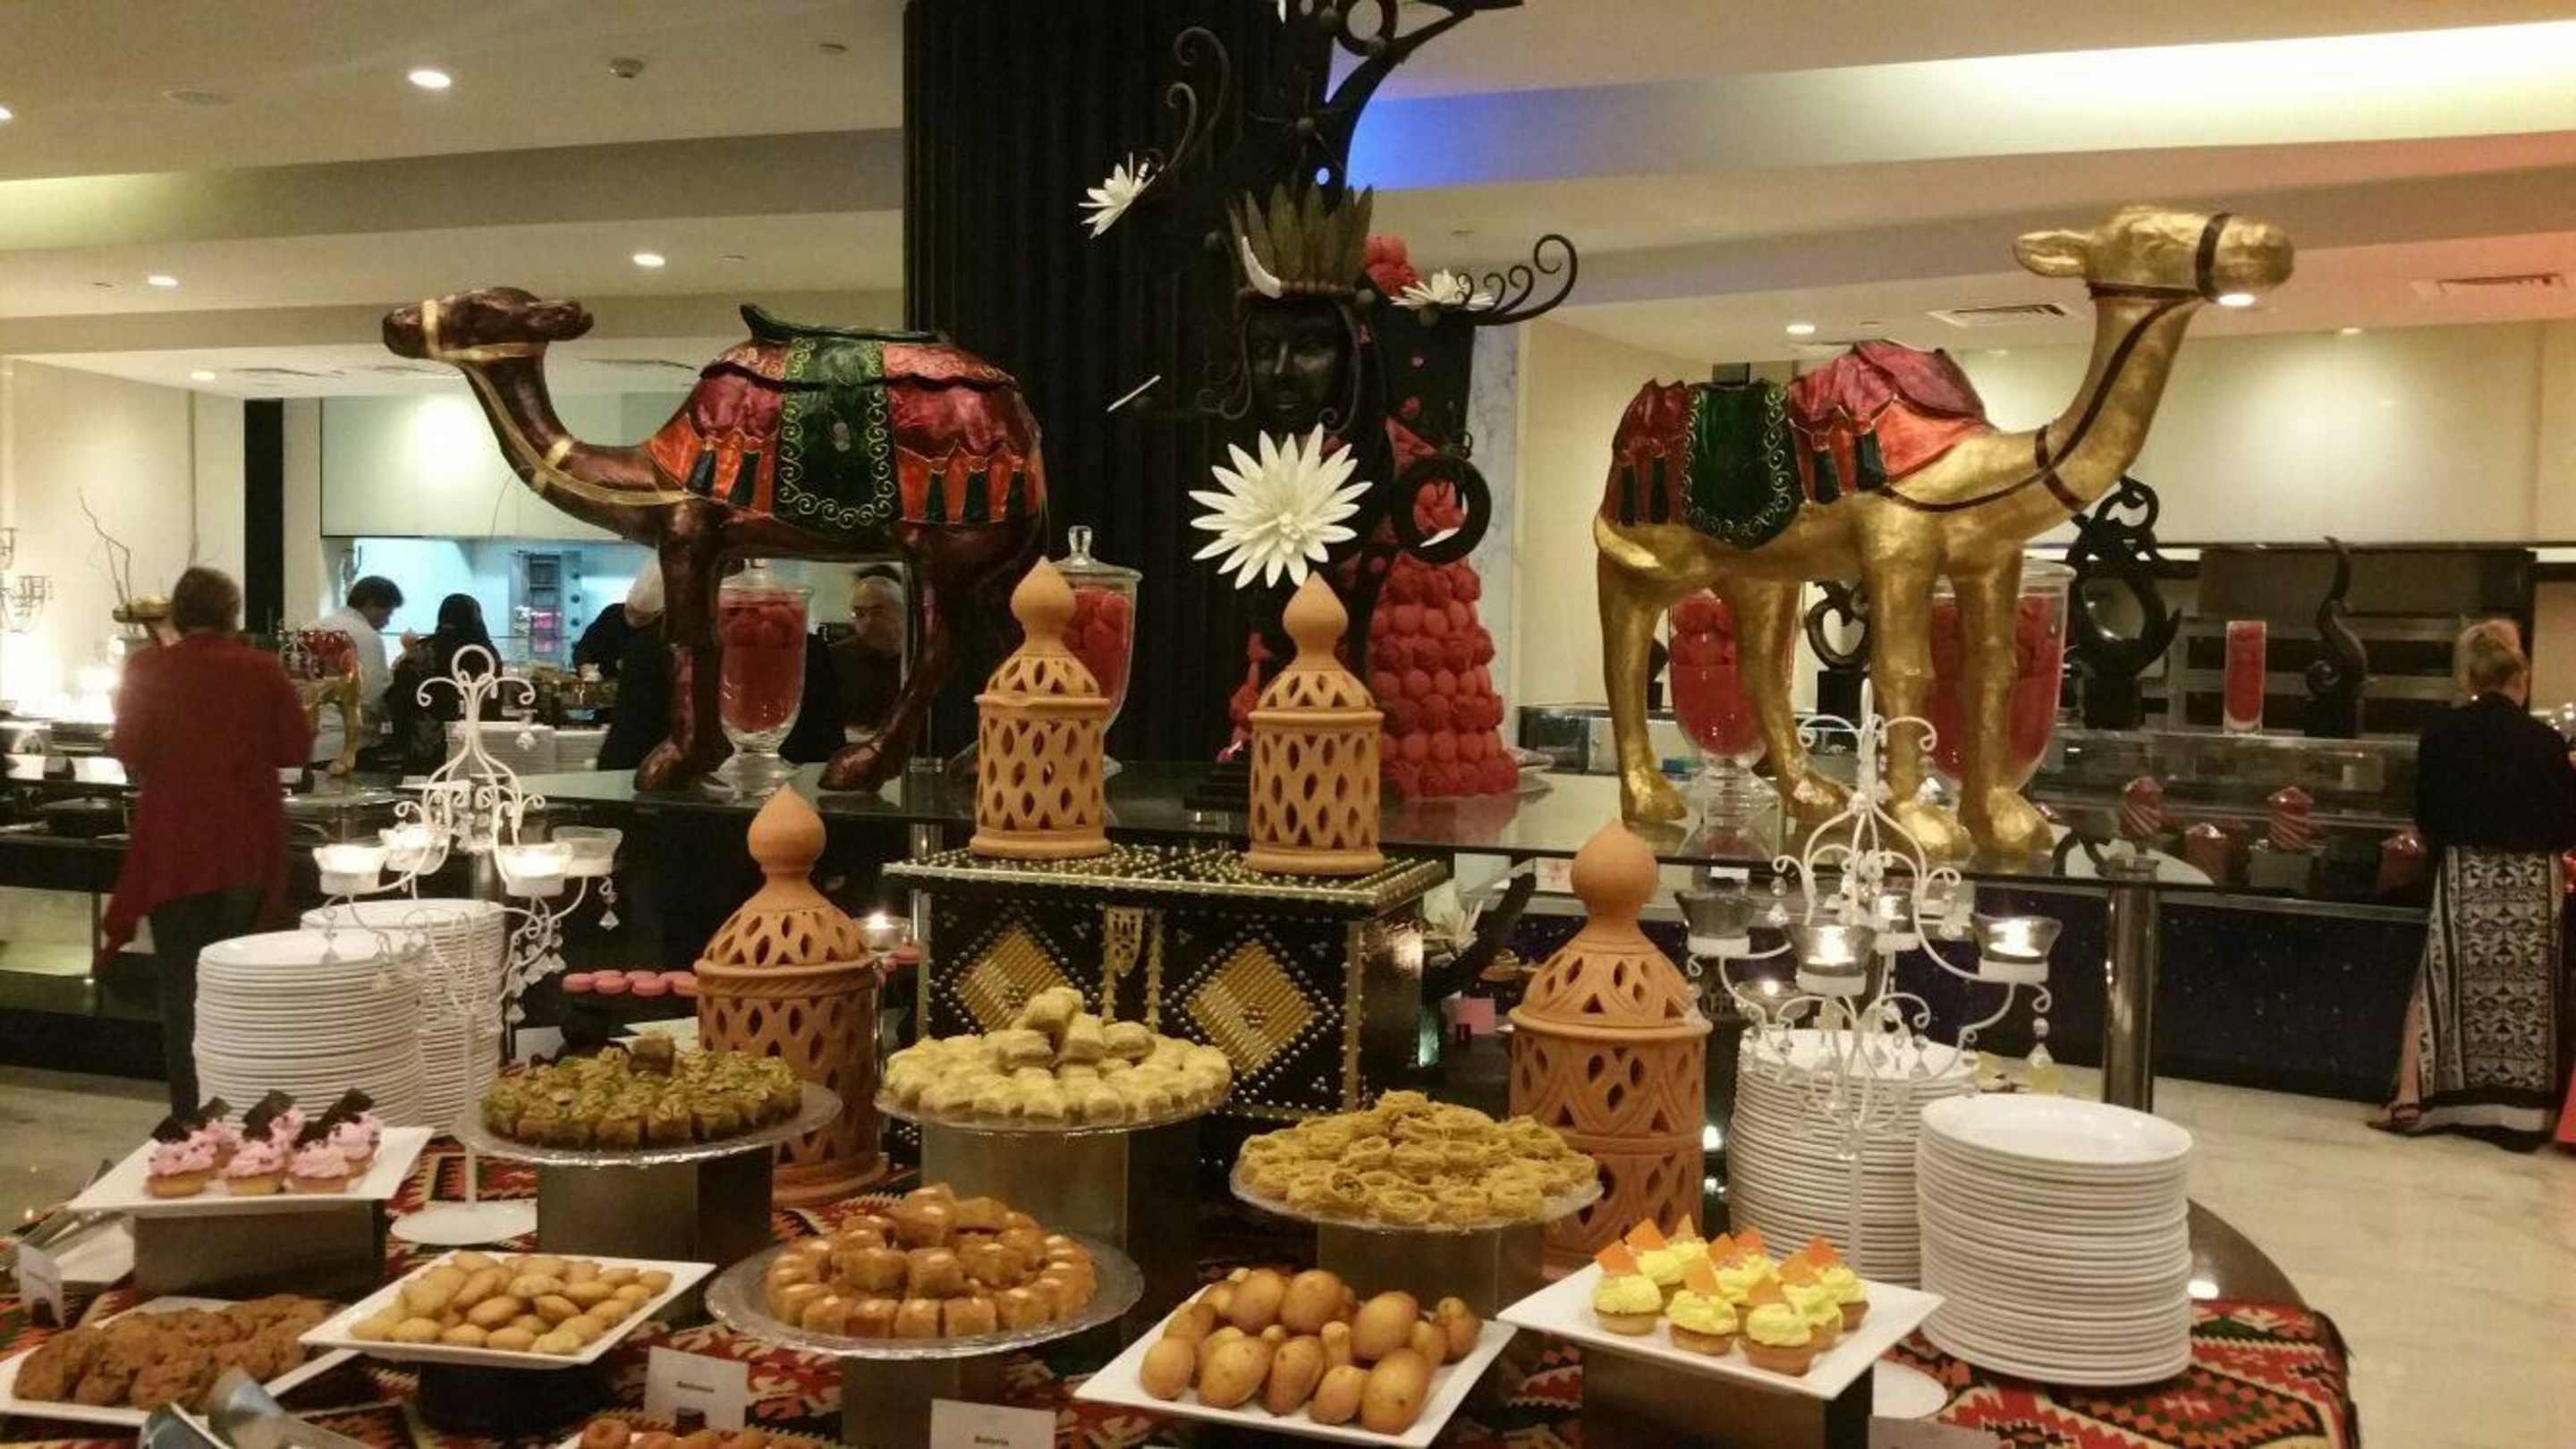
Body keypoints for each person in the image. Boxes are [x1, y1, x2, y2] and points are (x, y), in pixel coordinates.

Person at [103, 567, 314, 1114]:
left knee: (182, 990)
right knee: (244, 983)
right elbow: (295, 747)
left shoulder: (148, 667)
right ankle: (248, 1113)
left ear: (177, 612)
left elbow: (127, 746)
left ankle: (191, 1117)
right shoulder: (260, 668)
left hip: (174, 847)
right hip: (245, 844)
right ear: (231, 613)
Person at [2377, 619, 2576, 1149]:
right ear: (2521, 678)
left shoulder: (2442, 734)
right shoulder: (2547, 742)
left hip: (2465, 874)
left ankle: (2422, 1098)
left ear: (2470, 677)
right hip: (2533, 884)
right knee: (2529, 999)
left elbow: (2428, 816)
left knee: (2444, 982)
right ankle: (2524, 1114)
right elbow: (2567, 824)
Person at [599, 563, 844, 773]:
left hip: (687, 804)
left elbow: (621, 760)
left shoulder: (650, 649)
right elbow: (829, 757)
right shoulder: (810, 648)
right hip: (790, 800)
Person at [387, 594, 500, 772]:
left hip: (424, 746)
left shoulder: (422, 650)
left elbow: (398, 698)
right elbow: (494, 702)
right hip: (475, 746)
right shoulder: (485, 653)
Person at [311, 575, 402, 763]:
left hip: (306, 736)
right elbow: (373, 693)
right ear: (370, 604)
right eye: (387, 613)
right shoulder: (367, 636)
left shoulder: (310, 628)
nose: (387, 622)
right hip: (346, 740)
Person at [830, 569, 907, 738]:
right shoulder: (833, 660)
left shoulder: (922, 658)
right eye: (859, 614)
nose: (868, 622)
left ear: (902, 613)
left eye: (877, 612)